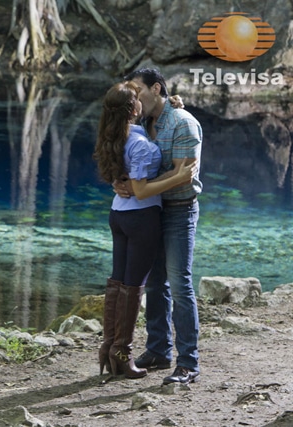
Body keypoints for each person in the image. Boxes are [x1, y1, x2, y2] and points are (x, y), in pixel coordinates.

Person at [93, 81, 195, 379]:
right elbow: (139, 190)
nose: (142, 101)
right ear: (133, 109)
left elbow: (128, 178)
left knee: (118, 282)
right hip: (141, 219)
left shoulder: (116, 135)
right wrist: (179, 176)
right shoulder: (137, 142)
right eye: (137, 99)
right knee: (134, 286)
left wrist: (173, 104)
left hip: (118, 215)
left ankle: (109, 347)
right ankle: (121, 354)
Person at [119, 67, 203, 385]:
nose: (134, 99)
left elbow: (186, 175)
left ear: (156, 89)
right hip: (149, 213)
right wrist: (122, 181)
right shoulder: (142, 122)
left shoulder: (183, 123)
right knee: (155, 284)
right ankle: (157, 350)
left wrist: (140, 186)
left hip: (179, 213)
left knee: (180, 285)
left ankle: (188, 363)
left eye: (138, 91)